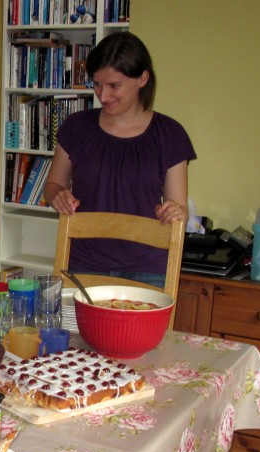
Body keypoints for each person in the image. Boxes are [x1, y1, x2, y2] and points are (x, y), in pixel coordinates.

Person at [44, 32, 197, 288]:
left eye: (114, 86)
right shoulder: (76, 127)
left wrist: (174, 211)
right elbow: (52, 187)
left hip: (146, 267)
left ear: (142, 79)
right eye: (97, 84)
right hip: (82, 263)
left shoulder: (170, 134)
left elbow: (179, 208)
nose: (103, 96)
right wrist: (58, 196)